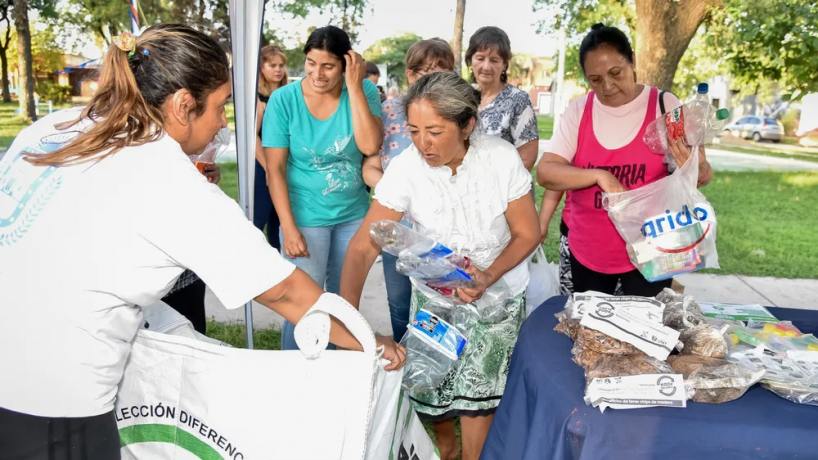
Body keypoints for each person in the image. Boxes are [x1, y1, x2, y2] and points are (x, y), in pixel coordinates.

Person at [0, 24, 403, 458]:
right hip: (55, 407)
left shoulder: (55, 126)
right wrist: (369, 339)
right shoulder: (166, 180)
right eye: (221, 106)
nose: (223, 125)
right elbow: (288, 292)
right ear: (181, 105)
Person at [340, 72, 540, 460]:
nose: (422, 143)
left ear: (467, 125)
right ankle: (446, 449)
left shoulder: (500, 158)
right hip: (436, 298)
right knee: (429, 385)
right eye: (414, 130)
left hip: (497, 296)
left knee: (479, 394)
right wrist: (349, 321)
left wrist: (487, 275)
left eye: (434, 131)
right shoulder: (406, 168)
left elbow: (527, 233)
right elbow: (364, 247)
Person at [537, 23, 713, 297]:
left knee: (644, 329)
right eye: (595, 79)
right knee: (594, 334)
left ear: (632, 62)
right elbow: (547, 172)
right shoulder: (579, 111)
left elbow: (702, 175)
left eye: (615, 73)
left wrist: (693, 166)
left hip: (654, 245)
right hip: (590, 249)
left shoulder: (665, 105)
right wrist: (598, 175)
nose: (607, 86)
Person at [262, 25, 383, 350]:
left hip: (352, 214)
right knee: (304, 305)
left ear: (346, 64)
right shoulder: (283, 100)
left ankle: (336, 375)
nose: (317, 73)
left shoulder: (365, 92)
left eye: (328, 66)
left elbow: (371, 145)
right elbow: (274, 168)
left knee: (344, 304)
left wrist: (355, 90)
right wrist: (288, 227)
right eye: (311, 63)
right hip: (304, 216)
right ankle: (293, 373)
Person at [361, 37, 455, 341]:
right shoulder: (389, 111)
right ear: (410, 75)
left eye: (439, 71)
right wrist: (401, 193)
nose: (429, 78)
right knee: (400, 304)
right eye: (421, 71)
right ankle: (406, 360)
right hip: (397, 232)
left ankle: (439, 370)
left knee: (444, 305)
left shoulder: (458, 114)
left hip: (444, 232)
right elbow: (369, 167)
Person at [465, 26, 539, 170]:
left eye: (494, 60)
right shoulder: (462, 96)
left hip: (505, 188)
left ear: (504, 64)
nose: (486, 66)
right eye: (480, 58)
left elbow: (527, 157)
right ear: (470, 60)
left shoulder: (518, 100)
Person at [254, 45, 289, 249]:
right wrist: (268, 167)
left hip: (285, 165)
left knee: (281, 220)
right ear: (261, 68)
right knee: (260, 219)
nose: (278, 70)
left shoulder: (286, 95)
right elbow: (253, 138)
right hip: (263, 166)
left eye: (281, 65)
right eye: (272, 65)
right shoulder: (258, 99)